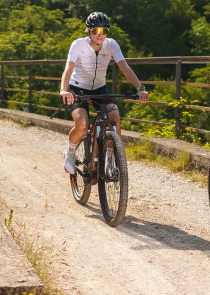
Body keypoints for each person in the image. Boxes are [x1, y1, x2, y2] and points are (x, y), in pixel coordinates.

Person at [60, 11, 149, 174]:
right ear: (88, 31)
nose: (100, 35)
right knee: (82, 124)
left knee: (114, 117)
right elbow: (69, 67)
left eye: (104, 31)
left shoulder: (111, 44)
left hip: (100, 88)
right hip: (77, 88)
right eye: (96, 31)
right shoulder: (78, 45)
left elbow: (124, 66)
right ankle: (70, 153)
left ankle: (111, 158)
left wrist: (140, 88)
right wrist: (64, 89)